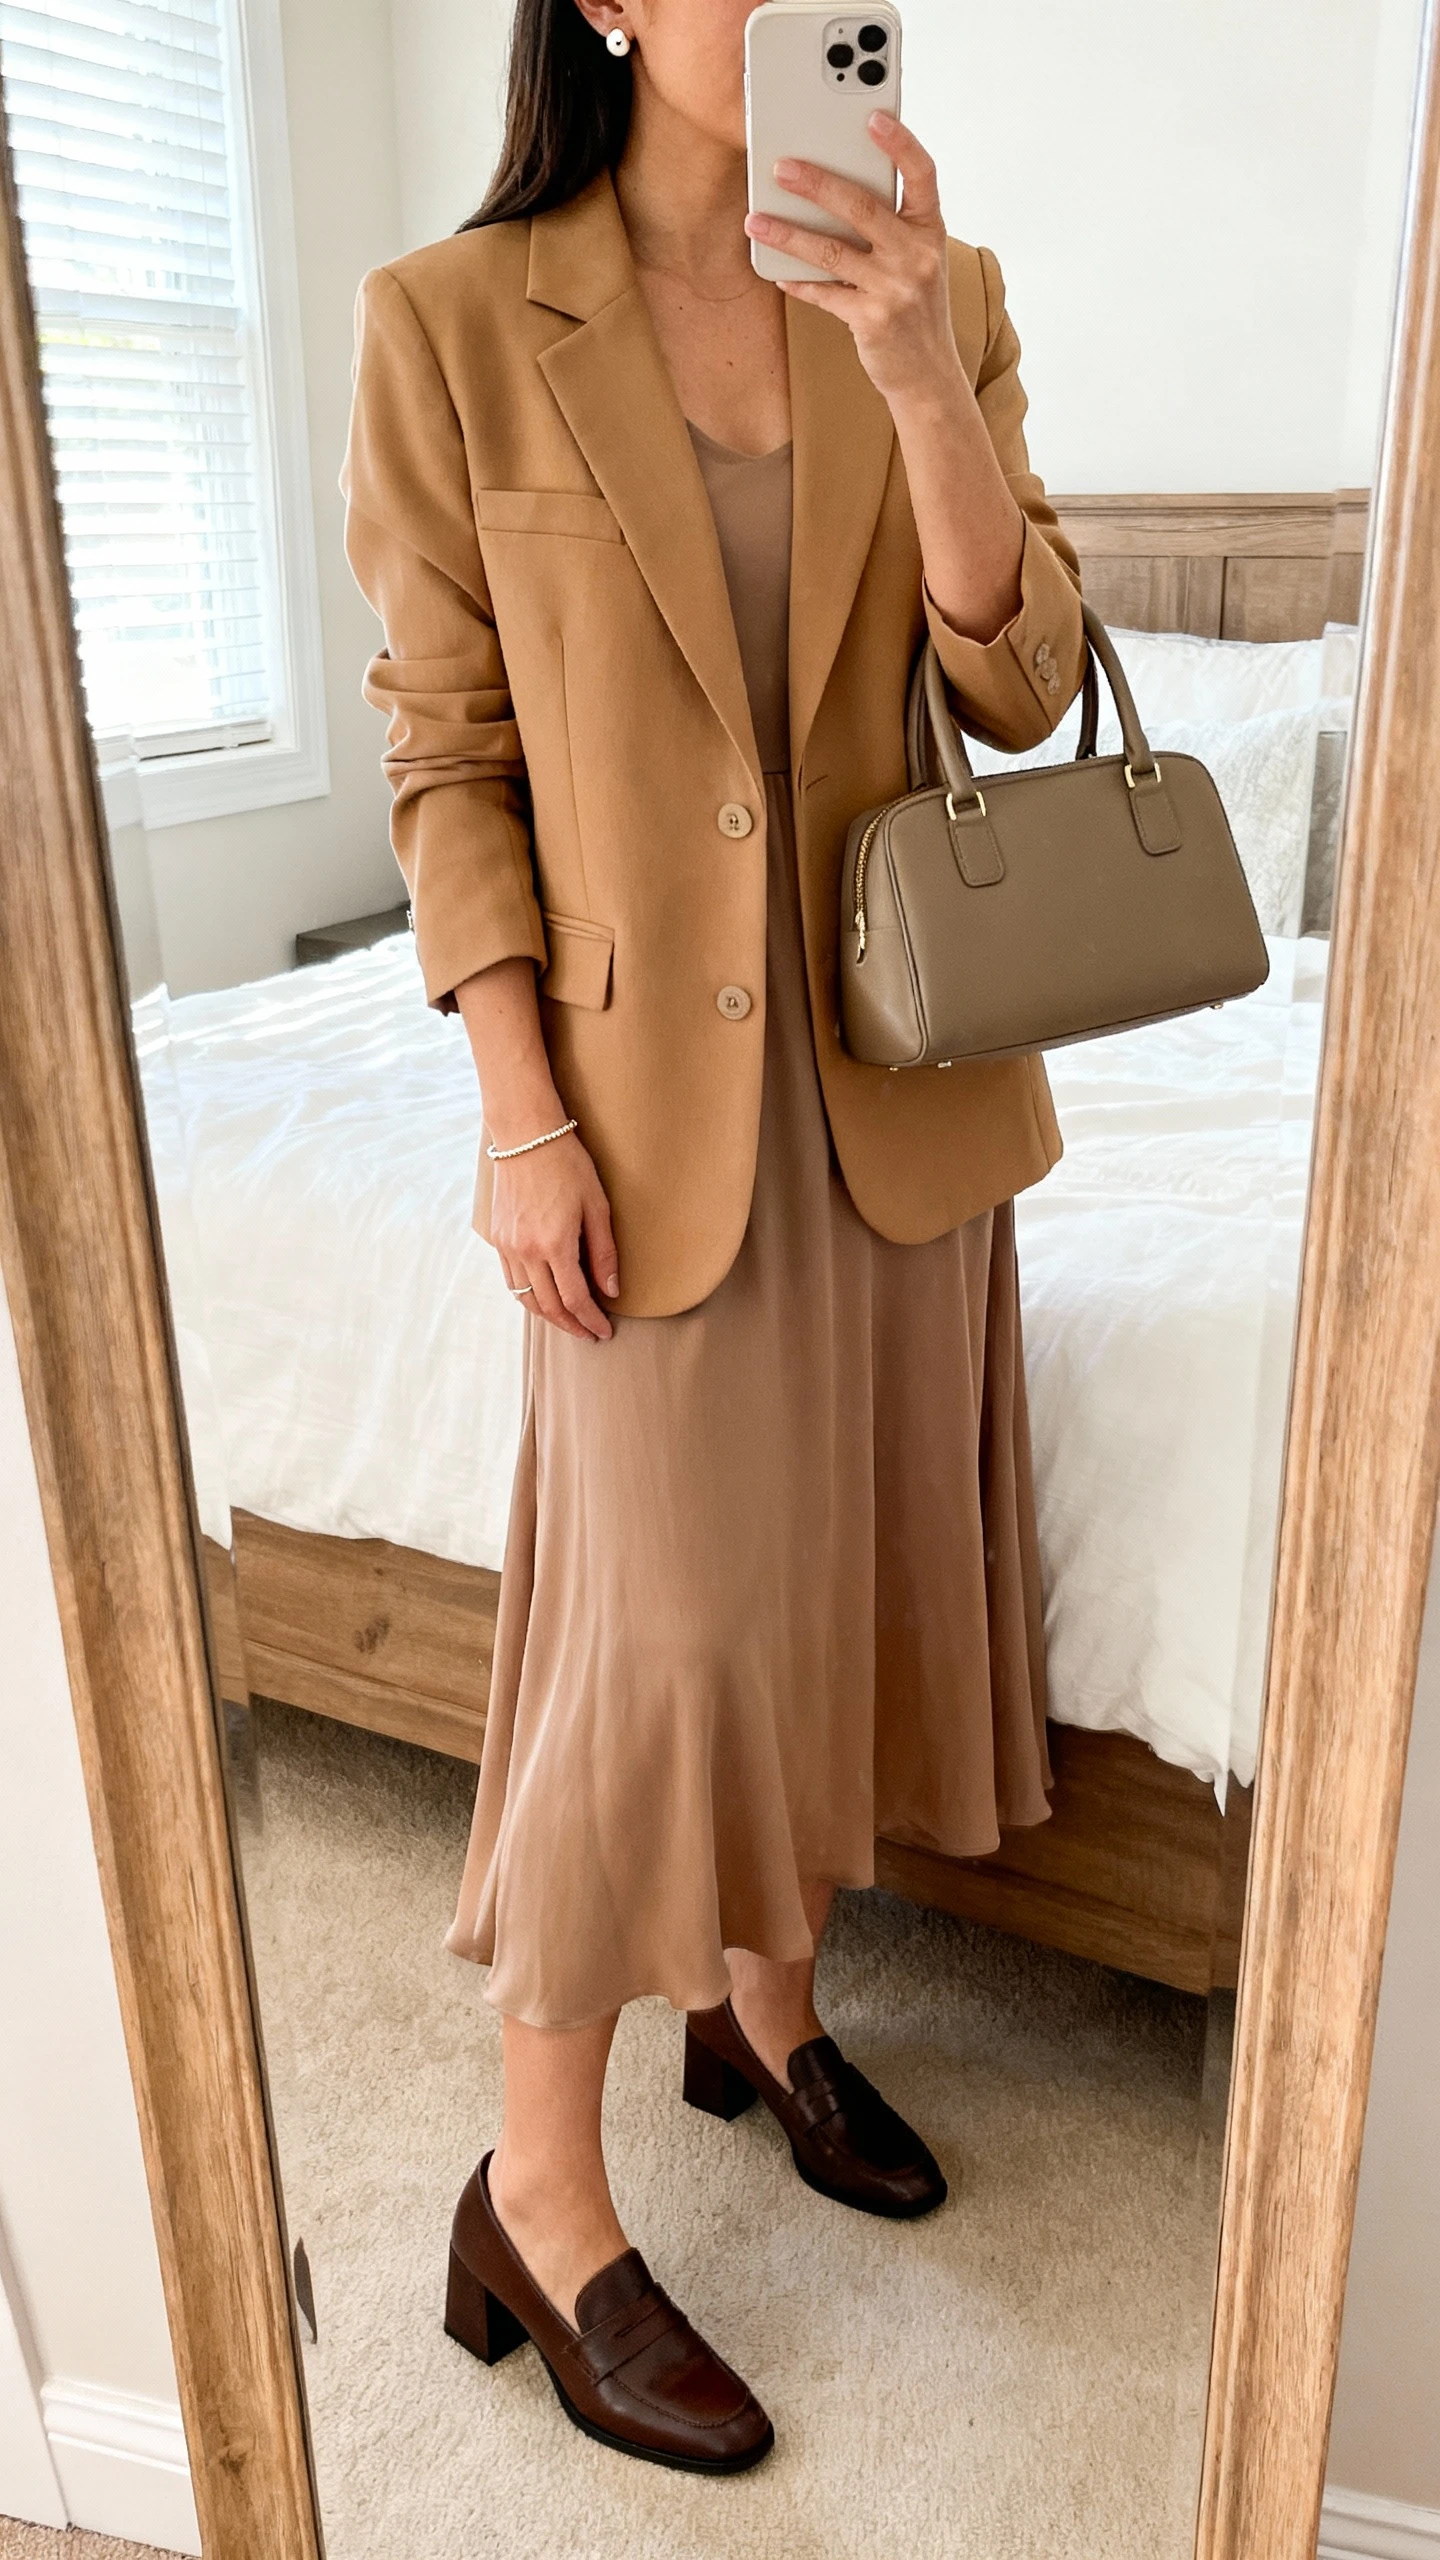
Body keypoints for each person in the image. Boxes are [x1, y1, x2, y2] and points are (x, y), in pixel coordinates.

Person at [343, 0, 1084, 2474]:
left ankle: (763, 2015)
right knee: (648, 1647)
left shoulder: (929, 278)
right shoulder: (454, 322)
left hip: (897, 1080)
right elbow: (450, 748)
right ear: (604, 2)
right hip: (642, 1113)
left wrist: (921, 362)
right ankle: (533, 2194)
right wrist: (515, 1107)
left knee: (836, 1583)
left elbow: (1023, 673)